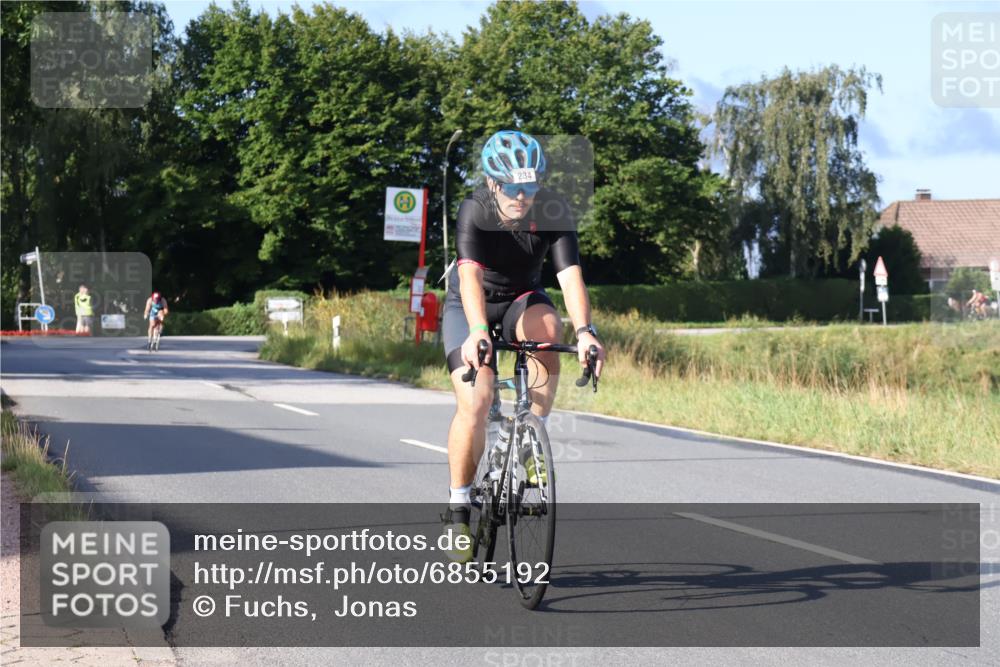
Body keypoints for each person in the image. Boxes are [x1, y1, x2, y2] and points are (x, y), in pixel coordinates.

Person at [439, 130, 606, 562]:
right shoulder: (475, 208)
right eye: (513, 188)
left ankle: (532, 432)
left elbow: (569, 276)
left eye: (530, 187)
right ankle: (458, 507)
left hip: (519, 300)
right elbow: (470, 275)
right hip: (470, 305)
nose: (522, 196)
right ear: (493, 183)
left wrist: (586, 331)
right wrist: (478, 330)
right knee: (475, 403)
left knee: (550, 326)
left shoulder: (552, 208)